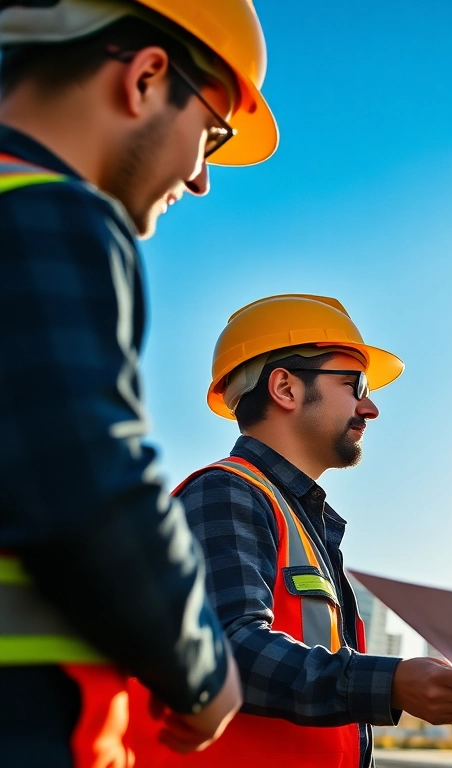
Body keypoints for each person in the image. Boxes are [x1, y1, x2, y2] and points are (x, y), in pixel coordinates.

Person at [0, 0, 279, 763]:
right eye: (212, 135)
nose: (199, 179)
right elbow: (83, 478)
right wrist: (197, 667)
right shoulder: (50, 212)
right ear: (147, 77)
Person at [127, 294, 452, 768]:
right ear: (285, 388)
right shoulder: (224, 494)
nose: (370, 409)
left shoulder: (298, 520)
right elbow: (227, 649)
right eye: (355, 384)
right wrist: (392, 682)